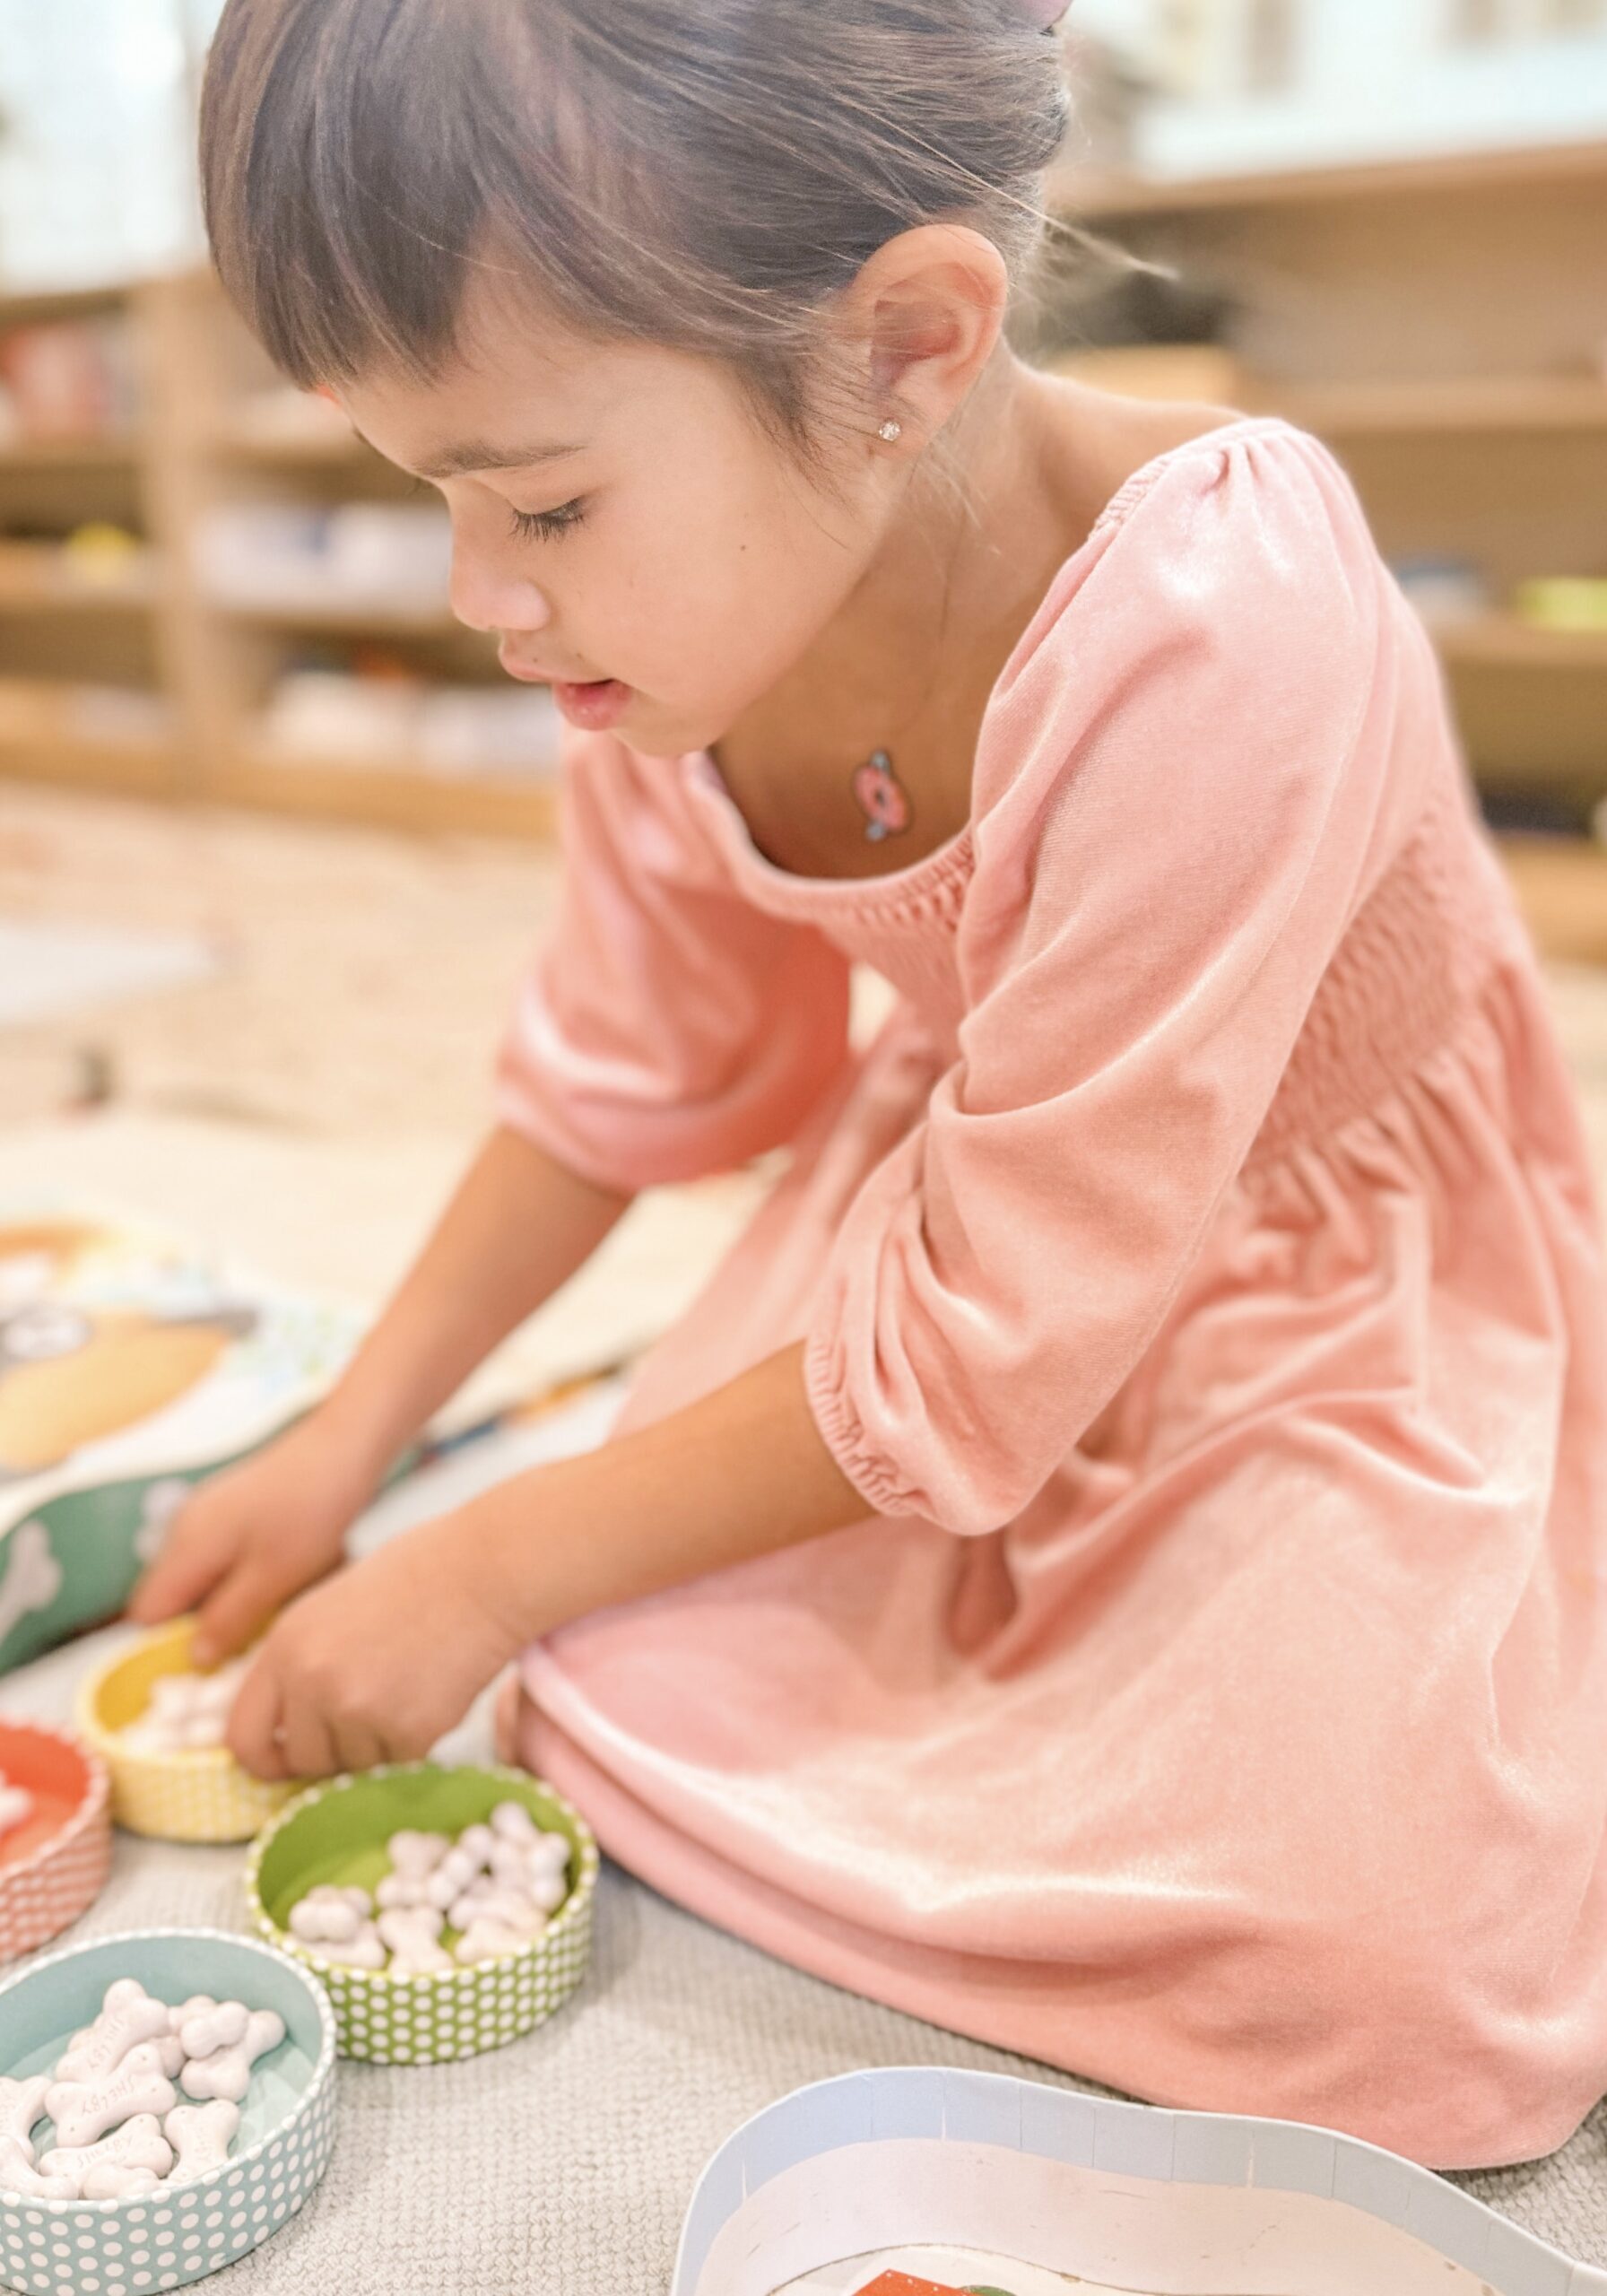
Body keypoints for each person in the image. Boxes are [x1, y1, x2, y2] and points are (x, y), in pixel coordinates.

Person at [133, 0, 1607, 2170]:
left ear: (910, 345)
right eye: (426, 493)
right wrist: (349, 1442)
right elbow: (625, 1079)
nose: (479, 595)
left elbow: (987, 1345)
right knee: (619, 1692)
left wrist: (478, 1561)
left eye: (536, 494)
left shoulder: (1212, 608)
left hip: (1305, 1268)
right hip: (963, 1252)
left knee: (1389, 1974)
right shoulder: (657, 633)